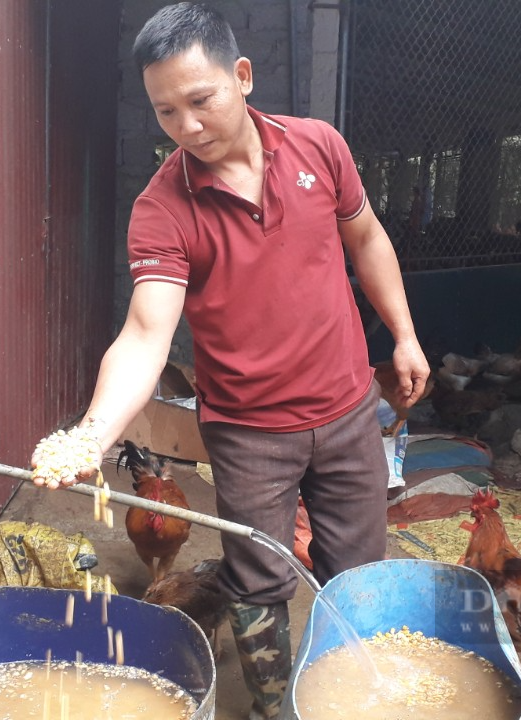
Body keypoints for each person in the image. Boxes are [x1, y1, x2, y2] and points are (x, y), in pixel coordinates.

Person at [30, 4, 429, 718]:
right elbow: (147, 333)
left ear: (241, 77)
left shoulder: (319, 148)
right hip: (248, 434)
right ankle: (276, 709)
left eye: (200, 100)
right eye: (165, 112)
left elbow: (366, 239)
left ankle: (356, 700)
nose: (186, 126)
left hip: (345, 411)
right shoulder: (163, 209)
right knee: (260, 583)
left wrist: (403, 333)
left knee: (361, 576)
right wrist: (92, 433)